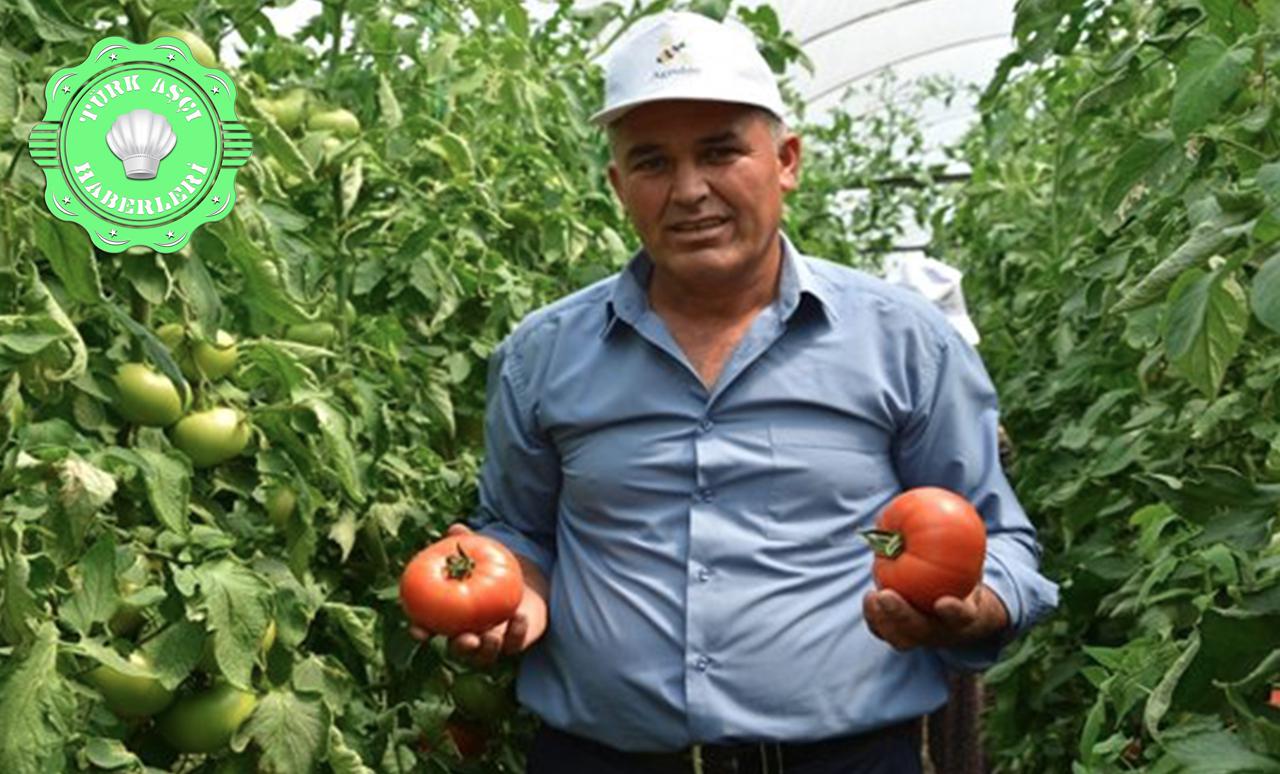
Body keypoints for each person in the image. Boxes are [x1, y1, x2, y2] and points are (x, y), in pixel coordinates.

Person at [414, 11, 1059, 774]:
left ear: (786, 160)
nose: (689, 191)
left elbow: (998, 539)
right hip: (600, 759)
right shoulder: (542, 356)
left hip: (845, 759)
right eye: (652, 163)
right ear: (619, 185)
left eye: (721, 152)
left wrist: (977, 607)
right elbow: (521, 531)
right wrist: (515, 596)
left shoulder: (903, 343)